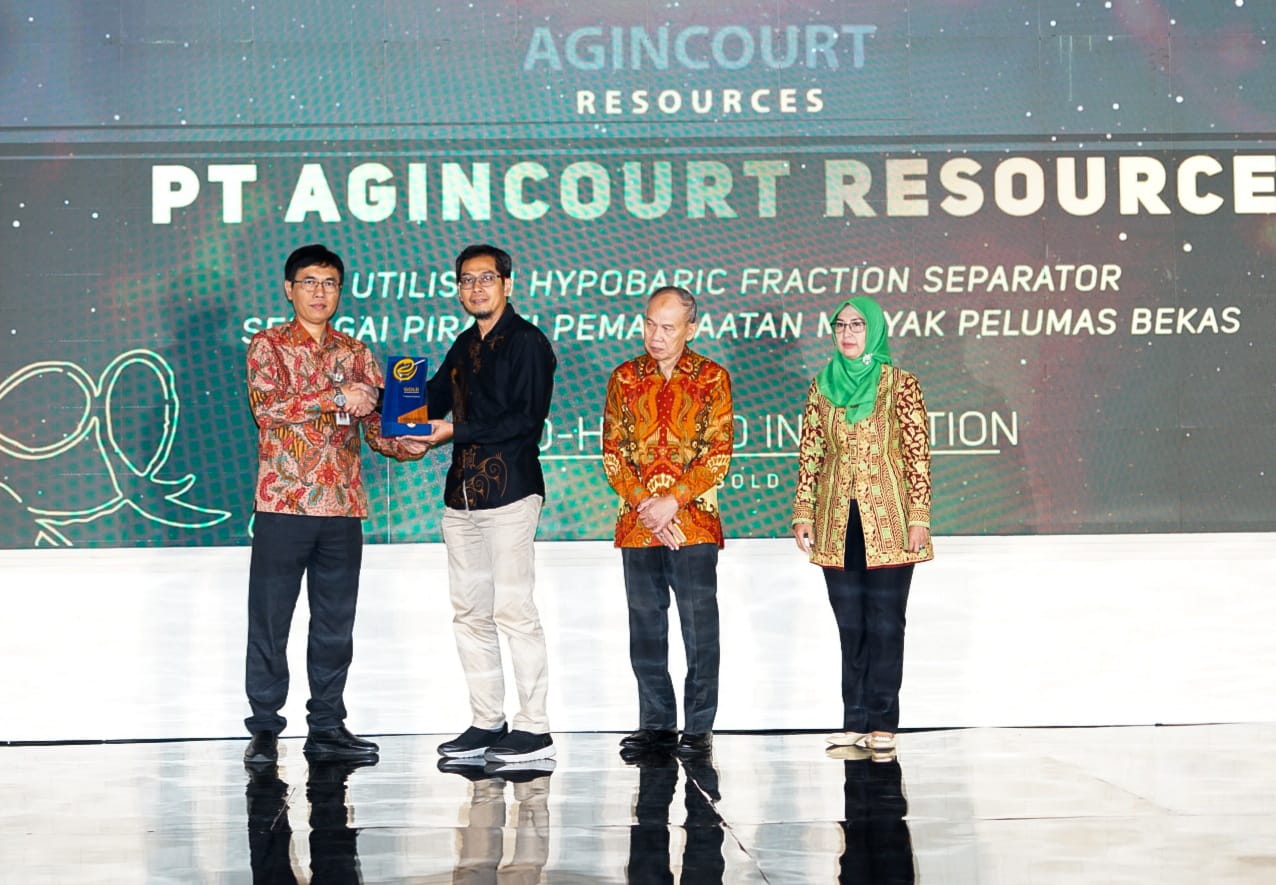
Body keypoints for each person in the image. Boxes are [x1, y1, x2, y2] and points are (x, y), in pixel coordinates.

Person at [243, 243, 429, 765]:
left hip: (342, 508)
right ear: (290, 289)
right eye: (309, 282)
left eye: (329, 283)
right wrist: (336, 396)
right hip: (283, 506)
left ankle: (327, 725)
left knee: (334, 626)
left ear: (340, 291)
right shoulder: (268, 345)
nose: (319, 292)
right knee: (270, 622)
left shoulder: (357, 353)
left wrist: (409, 443)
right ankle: (264, 729)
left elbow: (377, 430)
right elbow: (268, 410)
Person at [421, 244, 559, 766]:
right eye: (466, 280)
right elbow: (431, 398)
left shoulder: (528, 342)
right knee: (470, 615)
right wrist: (381, 401)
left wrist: (451, 431)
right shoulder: (464, 344)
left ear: (507, 284)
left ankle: (534, 728)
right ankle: (487, 721)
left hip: (510, 495)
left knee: (514, 611)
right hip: (461, 498)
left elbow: (525, 420)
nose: (475, 288)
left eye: (486, 278)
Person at [791, 296, 933, 753]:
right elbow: (811, 453)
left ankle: (883, 723)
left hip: (890, 520)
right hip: (837, 521)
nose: (848, 333)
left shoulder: (900, 384)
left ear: (873, 330)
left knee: (886, 624)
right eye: (840, 325)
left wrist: (919, 516)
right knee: (850, 624)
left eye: (857, 325)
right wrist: (803, 511)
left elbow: (917, 454)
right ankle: (854, 720)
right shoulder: (822, 386)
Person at [602, 286, 734, 759]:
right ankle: (656, 725)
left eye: (668, 327)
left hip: (693, 523)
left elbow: (718, 454)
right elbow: (613, 454)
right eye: (650, 324)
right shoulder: (624, 378)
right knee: (645, 629)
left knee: (700, 629)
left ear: (690, 329)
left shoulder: (712, 378)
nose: (655, 336)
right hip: (638, 523)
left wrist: (672, 502)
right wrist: (648, 505)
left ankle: (698, 728)